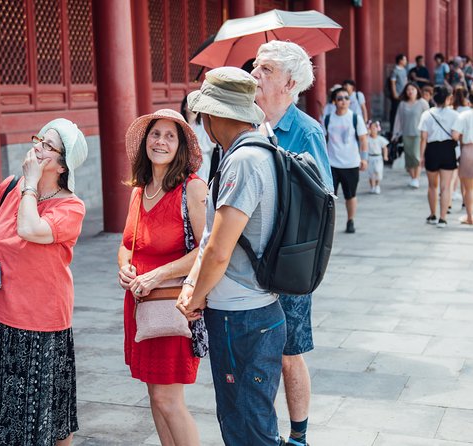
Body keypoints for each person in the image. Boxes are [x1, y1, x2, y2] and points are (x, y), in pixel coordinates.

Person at [177, 66, 286, 446]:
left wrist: (196, 294)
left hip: (241, 317)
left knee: (247, 429)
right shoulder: (262, 151)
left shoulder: (242, 161)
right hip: (258, 310)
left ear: (216, 115)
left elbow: (219, 249)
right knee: (250, 421)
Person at [0, 118, 88, 445]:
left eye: (49, 146)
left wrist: (30, 184)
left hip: (41, 323)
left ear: (63, 165)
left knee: (44, 417)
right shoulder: (9, 187)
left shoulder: (71, 207)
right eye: (39, 139)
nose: (38, 147)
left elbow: (29, 228)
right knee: (5, 414)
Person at [250, 40, 333, 446]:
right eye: (256, 67)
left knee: (288, 352)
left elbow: (321, 200)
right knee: (254, 351)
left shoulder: (305, 131)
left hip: (286, 261)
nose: (254, 75)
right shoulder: (247, 125)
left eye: (265, 70)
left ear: (290, 82)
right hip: (246, 257)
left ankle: (298, 435)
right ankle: (262, 432)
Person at [117, 108, 207, 446]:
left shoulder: (192, 190)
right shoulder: (139, 190)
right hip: (141, 305)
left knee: (170, 400)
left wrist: (157, 275)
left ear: (181, 146)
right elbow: (126, 245)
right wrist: (124, 267)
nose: (161, 141)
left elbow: (206, 251)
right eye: (156, 134)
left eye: (170, 136)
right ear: (145, 141)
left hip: (173, 306)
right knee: (155, 397)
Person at [324, 87, 369, 234]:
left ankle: (350, 220)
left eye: (346, 98)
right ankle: (328, 224)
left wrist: (364, 158)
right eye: (340, 98)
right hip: (332, 163)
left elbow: (363, 139)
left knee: (351, 195)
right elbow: (323, 140)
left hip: (351, 162)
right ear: (334, 102)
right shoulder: (328, 119)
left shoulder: (355, 118)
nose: (344, 101)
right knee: (330, 197)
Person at [419, 85, 459, 228]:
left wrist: (421, 156)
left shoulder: (426, 114)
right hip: (448, 150)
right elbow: (456, 135)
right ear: (448, 98)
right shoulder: (455, 115)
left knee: (432, 186)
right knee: (445, 187)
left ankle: (432, 214)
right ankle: (443, 218)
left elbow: (423, 138)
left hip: (432, 149)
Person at [392, 82, 430, 188]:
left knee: (416, 156)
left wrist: (429, 132)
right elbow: (398, 119)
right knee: (409, 158)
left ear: (417, 90)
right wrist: (395, 133)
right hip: (406, 133)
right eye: (408, 89)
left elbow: (428, 118)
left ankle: (416, 178)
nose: (410, 91)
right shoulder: (402, 104)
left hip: (419, 134)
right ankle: (412, 177)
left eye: (412, 89)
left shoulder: (422, 103)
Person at [181, 96, 216, 182]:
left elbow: (211, 144)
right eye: (189, 104)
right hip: (183, 159)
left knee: (200, 182)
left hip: (201, 160)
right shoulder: (180, 124)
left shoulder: (204, 125)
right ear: (184, 107)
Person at [452, 108, 473, 224]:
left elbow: (455, 135)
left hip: (468, 150)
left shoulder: (464, 115)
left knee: (469, 188)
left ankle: (470, 217)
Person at [366, 120, 389, 194]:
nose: (373, 130)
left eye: (374, 128)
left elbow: (385, 147)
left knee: (378, 171)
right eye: (371, 128)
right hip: (370, 157)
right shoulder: (367, 139)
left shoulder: (380, 139)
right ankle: (372, 186)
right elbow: (364, 147)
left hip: (378, 157)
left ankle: (377, 185)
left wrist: (385, 155)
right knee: (371, 173)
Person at [389, 53, 409, 134]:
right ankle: (393, 130)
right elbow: (393, 83)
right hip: (397, 95)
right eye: (404, 59)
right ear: (400, 61)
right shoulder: (395, 71)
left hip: (404, 95)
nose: (406, 61)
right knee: (395, 112)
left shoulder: (404, 70)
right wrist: (395, 94)